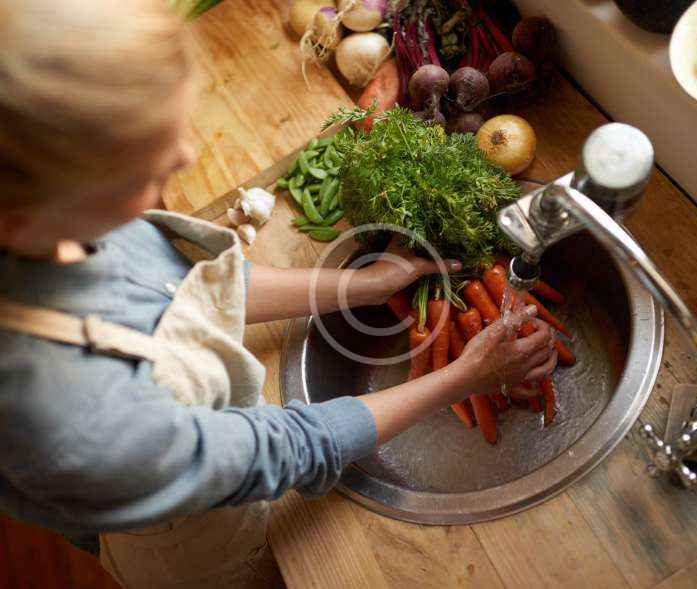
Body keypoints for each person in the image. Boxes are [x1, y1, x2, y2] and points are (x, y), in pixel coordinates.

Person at [0, 0, 558, 587]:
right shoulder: (70, 417)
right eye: (145, 156)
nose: (183, 157)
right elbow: (285, 449)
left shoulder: (50, 221)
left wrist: (367, 284)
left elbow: (195, 286)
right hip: (204, 545)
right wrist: (465, 376)